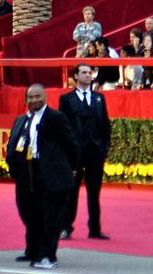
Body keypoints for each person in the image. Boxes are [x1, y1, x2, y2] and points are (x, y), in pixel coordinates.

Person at [6, 84, 77, 270]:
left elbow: (71, 144)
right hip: (28, 173)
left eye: (37, 96)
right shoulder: (22, 120)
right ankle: (33, 250)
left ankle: (47, 256)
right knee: (30, 213)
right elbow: (14, 145)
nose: (34, 100)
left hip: (52, 174)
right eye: (30, 97)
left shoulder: (56, 117)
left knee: (50, 218)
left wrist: (73, 168)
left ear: (45, 97)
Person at [59, 64, 111, 242]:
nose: (88, 76)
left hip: (95, 153)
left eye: (90, 73)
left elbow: (105, 125)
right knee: (71, 192)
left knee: (94, 193)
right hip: (75, 154)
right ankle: (65, 228)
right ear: (75, 76)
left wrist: (104, 148)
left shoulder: (99, 98)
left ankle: (95, 229)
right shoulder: (66, 99)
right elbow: (63, 127)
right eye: (84, 73)